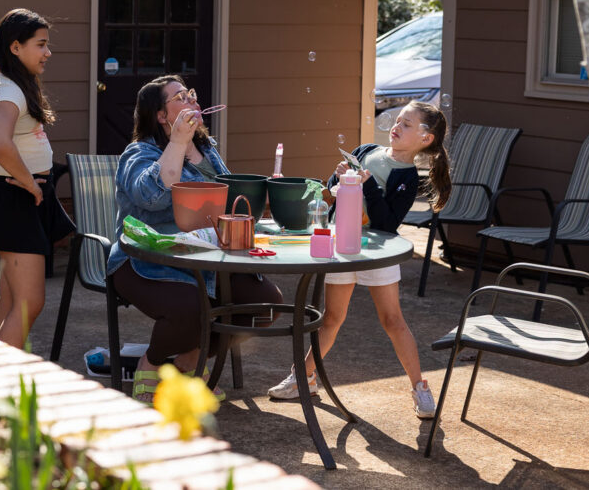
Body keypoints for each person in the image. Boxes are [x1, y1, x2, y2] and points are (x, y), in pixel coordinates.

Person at [267, 101, 451, 419]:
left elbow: (386, 223)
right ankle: (303, 378)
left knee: (392, 321)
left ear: (426, 139)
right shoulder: (365, 151)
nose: (397, 125)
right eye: (398, 119)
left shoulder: (407, 178)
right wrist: (336, 180)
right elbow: (332, 192)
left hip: (377, 252)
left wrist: (368, 185)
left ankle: (419, 387)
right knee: (332, 318)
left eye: (408, 124)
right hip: (342, 246)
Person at [109, 75, 283, 402]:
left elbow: (230, 200)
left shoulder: (206, 149)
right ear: (161, 116)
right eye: (180, 97)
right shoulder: (138, 153)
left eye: (190, 94)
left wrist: (266, 192)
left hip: (206, 260)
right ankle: (153, 362)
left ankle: (188, 362)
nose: (191, 100)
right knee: (192, 309)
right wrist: (176, 143)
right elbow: (150, 197)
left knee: (266, 304)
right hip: (147, 260)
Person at [0, 8, 74, 349]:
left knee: (13, 299)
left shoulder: (13, 85)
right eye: (40, 45)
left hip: (20, 198)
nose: (48, 52)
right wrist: (29, 182)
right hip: (17, 199)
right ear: (15, 47)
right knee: (30, 302)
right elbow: (0, 142)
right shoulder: (8, 92)